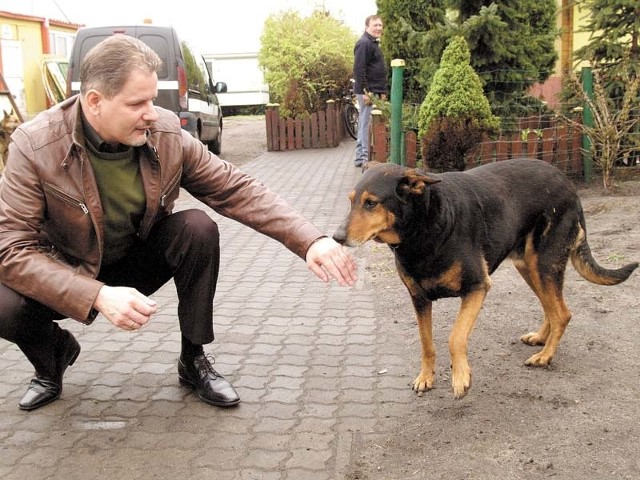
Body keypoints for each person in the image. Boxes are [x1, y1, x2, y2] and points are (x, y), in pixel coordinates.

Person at [0, 35, 357, 412]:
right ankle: (50, 357)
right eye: (137, 103)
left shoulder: (166, 133)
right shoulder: (34, 144)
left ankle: (193, 359)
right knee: (3, 302)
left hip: (135, 259)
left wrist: (310, 240)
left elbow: (234, 188)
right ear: (94, 102)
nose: (151, 113)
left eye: (153, 99)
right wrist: (95, 294)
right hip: (67, 268)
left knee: (196, 228)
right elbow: (12, 248)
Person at [353, 14, 387, 168]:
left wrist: (382, 91)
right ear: (367, 27)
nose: (379, 28)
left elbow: (376, 69)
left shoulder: (373, 44)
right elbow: (359, 70)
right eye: (375, 25)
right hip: (367, 92)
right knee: (365, 124)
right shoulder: (364, 43)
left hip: (374, 91)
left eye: (380, 25)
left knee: (366, 122)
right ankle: (363, 160)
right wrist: (366, 91)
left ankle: (361, 158)